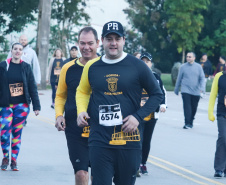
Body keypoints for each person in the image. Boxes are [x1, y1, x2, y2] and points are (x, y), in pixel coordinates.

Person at [76, 21, 163, 185]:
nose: (113, 43)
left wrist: (138, 117)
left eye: (117, 38)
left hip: (128, 141)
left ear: (123, 40)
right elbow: (82, 91)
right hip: (99, 140)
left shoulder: (137, 66)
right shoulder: (92, 67)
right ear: (102, 40)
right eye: (109, 38)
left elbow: (156, 94)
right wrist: (81, 111)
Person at [55, 27, 100, 185]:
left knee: (98, 175)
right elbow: (61, 95)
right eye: (82, 43)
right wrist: (59, 115)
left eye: (90, 43)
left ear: (98, 43)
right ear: (77, 44)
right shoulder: (68, 68)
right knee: (81, 173)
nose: (86, 47)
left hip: (100, 129)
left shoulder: (105, 66)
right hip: (75, 129)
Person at [0, 43, 41, 171]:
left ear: (22, 52)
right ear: (11, 51)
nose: (17, 51)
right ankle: (5, 157)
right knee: (4, 132)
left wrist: (36, 105)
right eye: (15, 49)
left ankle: (13, 160)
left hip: (22, 105)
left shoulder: (26, 67)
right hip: (5, 105)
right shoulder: (3, 66)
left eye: (20, 50)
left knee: (17, 133)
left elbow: (32, 87)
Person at [139, 52, 167, 175]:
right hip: (138, 114)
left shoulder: (156, 76)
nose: (145, 63)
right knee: (137, 139)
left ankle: (143, 163)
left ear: (151, 63)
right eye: (143, 61)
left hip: (151, 114)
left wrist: (163, 104)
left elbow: (162, 92)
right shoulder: (134, 75)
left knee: (146, 140)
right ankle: (135, 164)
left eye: (147, 61)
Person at [174, 52, 205, 129]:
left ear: (194, 58)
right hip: (185, 90)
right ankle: (187, 123)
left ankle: (191, 121)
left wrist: (202, 89)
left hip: (196, 91)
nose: (188, 58)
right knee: (187, 107)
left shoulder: (198, 67)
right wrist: (176, 88)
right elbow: (179, 78)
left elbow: (202, 78)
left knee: (194, 108)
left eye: (190, 57)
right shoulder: (183, 67)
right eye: (187, 56)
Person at [208, 70, 226, 178]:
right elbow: (213, 94)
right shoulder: (219, 76)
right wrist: (210, 112)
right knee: (223, 138)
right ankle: (219, 168)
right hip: (222, 113)